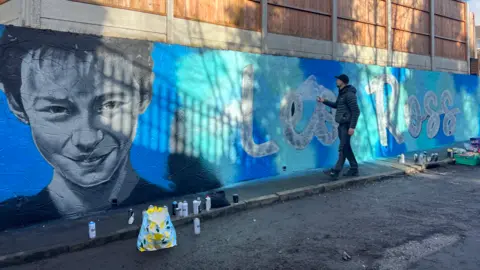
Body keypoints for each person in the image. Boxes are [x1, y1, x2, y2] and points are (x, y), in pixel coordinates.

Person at [0, 26, 220, 230]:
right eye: (57, 110)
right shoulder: (9, 220)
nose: (87, 139)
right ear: (17, 105)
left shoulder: (168, 206)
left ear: (144, 94)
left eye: (110, 104)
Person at [317, 74, 360, 179]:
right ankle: (354, 169)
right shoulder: (342, 94)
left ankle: (335, 171)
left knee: (342, 148)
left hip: (347, 125)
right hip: (341, 125)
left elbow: (356, 111)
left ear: (343, 82)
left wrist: (352, 127)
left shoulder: (349, 94)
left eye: (338, 80)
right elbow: (337, 105)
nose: (337, 81)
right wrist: (324, 101)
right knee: (346, 148)